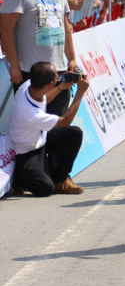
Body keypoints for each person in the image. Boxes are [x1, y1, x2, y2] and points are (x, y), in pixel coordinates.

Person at [0, 0, 80, 117]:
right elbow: (5, 30)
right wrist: (14, 66)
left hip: (58, 69)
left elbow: (66, 26)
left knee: (57, 124)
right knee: (32, 127)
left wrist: (72, 59)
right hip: (30, 70)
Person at [8, 63, 87, 196]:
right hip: (26, 152)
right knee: (45, 188)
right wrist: (80, 92)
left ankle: (60, 181)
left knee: (74, 133)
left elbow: (44, 98)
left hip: (40, 139)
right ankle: (18, 177)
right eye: (58, 77)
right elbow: (65, 121)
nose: (60, 78)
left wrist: (61, 85)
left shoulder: (28, 85)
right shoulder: (30, 113)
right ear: (49, 84)